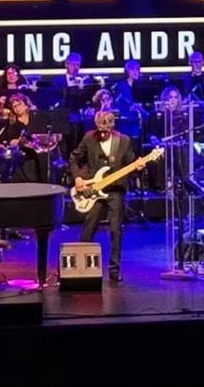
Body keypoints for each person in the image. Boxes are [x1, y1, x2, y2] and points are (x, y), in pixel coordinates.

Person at [69, 109, 135, 282]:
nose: (103, 133)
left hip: (115, 190)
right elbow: (74, 158)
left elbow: (130, 164)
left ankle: (114, 270)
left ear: (112, 125)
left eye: (106, 130)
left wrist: (139, 167)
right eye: (100, 129)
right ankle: (80, 266)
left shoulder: (124, 141)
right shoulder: (89, 138)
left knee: (115, 230)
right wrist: (78, 178)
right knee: (89, 227)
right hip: (94, 190)